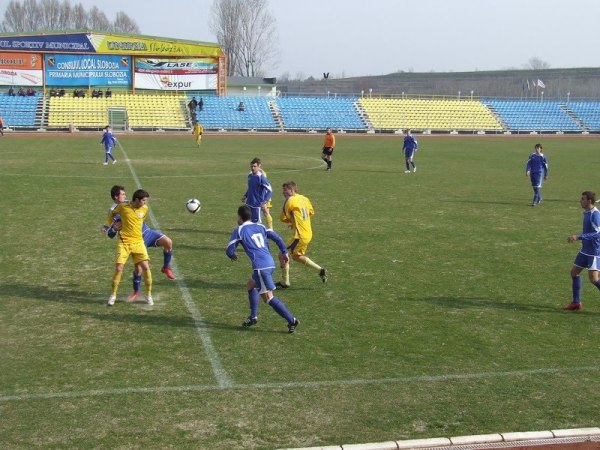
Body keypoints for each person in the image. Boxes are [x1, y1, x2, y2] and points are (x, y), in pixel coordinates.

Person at [226, 205, 299, 333]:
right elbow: (278, 238)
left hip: (261, 267)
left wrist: (233, 255)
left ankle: (292, 320)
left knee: (268, 298)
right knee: (250, 285)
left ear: (240, 217)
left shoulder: (239, 230)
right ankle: (253, 317)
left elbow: (229, 250)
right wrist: (284, 251)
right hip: (269, 263)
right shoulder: (261, 226)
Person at [105, 185, 176, 300]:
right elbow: (110, 234)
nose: (125, 196)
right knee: (139, 269)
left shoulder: (131, 203)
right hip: (135, 241)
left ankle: (166, 267)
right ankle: (136, 292)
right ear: (116, 197)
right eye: (122, 194)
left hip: (147, 233)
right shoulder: (117, 211)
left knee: (168, 242)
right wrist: (113, 229)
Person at [103, 189, 154, 306]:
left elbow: (140, 220)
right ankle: (113, 295)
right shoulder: (123, 207)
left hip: (138, 242)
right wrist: (107, 226)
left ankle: (149, 295)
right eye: (144, 200)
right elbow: (111, 214)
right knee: (119, 268)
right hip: (124, 243)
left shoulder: (145, 209)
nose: (145, 203)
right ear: (136, 200)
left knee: (146, 266)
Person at [276, 181, 327, 289]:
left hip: (299, 236)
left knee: (282, 254)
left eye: (285, 189)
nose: (283, 192)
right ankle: (320, 270)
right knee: (296, 256)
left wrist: (291, 222)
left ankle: (285, 282)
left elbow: (282, 218)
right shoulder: (304, 198)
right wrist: (296, 222)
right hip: (308, 233)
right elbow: (311, 212)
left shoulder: (289, 201)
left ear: (292, 190)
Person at [563, 191, 600, 311]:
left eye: (583, 199)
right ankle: (576, 302)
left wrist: (579, 237)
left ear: (589, 201)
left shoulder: (595, 215)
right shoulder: (587, 212)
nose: (580, 201)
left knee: (594, 279)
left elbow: (597, 233)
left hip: (594, 253)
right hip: (584, 251)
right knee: (574, 273)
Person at [242, 158, 273, 225]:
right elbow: (250, 188)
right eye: (251, 166)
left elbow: (270, 190)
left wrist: (265, 201)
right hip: (248, 203)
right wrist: (245, 195)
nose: (253, 168)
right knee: (247, 222)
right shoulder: (250, 175)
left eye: (255, 166)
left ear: (259, 167)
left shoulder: (261, 177)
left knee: (256, 224)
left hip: (257, 205)